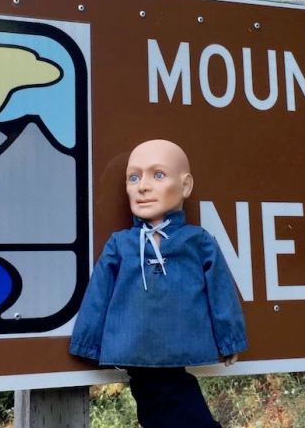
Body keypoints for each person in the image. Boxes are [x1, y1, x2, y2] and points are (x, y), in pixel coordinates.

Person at [69, 139, 247, 428]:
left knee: (168, 395)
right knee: (155, 396)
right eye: (134, 178)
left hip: (180, 341)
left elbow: (221, 289)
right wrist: (88, 344)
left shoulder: (197, 240)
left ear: (185, 186)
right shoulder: (121, 243)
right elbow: (98, 294)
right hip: (135, 344)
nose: (142, 186)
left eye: (158, 175)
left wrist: (230, 338)